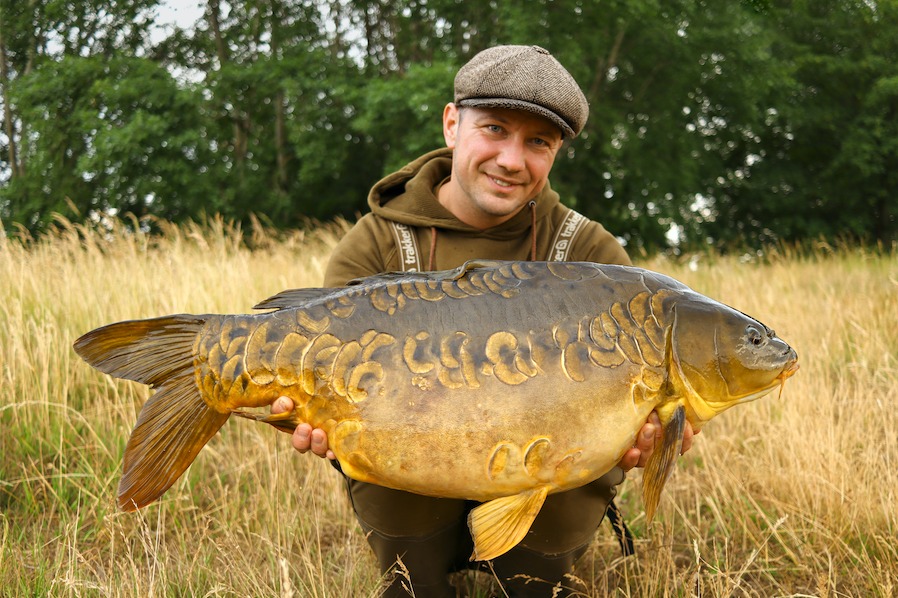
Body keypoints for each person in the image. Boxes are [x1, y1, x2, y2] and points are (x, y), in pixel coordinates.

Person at [273, 45, 697, 597]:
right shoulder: (378, 243)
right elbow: (326, 384)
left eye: (537, 142)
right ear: (452, 125)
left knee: (544, 556)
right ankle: (417, 575)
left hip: (545, 475)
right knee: (410, 579)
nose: (512, 160)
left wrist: (650, 435)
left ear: (557, 152)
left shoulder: (590, 253)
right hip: (414, 463)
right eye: (494, 129)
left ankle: (532, 574)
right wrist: (309, 416)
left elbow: (645, 410)